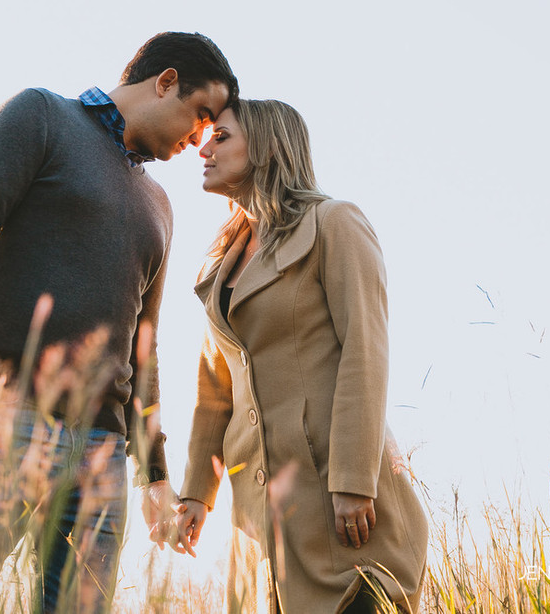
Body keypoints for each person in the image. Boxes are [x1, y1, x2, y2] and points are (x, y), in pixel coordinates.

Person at [0, 32, 238, 614]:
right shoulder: (40, 117)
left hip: (102, 455)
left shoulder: (160, 205)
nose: (202, 137)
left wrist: (154, 472)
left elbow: (142, 347)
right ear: (165, 82)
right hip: (2, 420)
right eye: (201, 113)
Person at [174, 100, 428, 613]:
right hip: (259, 525)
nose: (203, 149)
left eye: (221, 137)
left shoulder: (334, 223)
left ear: (266, 147)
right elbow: (215, 390)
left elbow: (365, 349)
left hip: (343, 509)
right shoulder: (219, 267)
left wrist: (353, 481)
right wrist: (197, 493)